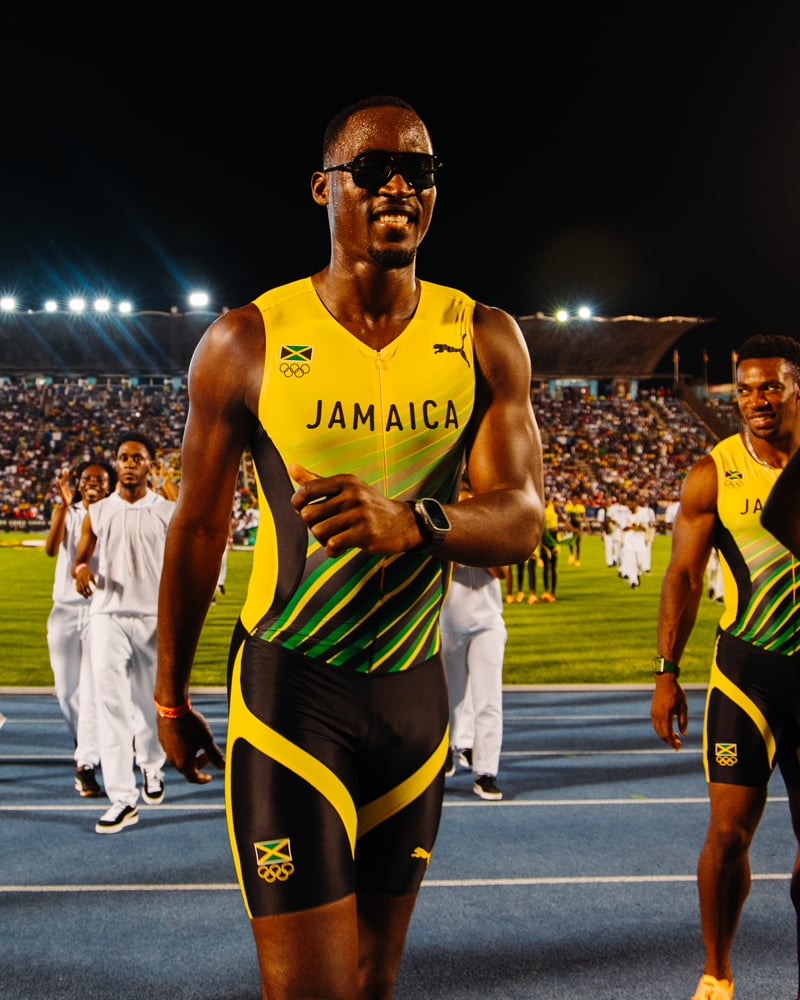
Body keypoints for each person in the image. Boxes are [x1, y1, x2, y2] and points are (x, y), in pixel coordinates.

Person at [154, 94, 544, 999]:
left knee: (375, 983)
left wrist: (415, 523)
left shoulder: (483, 336)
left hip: (413, 699)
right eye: (372, 169)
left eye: (421, 170)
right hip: (293, 697)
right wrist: (170, 696)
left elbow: (522, 519)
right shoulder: (247, 339)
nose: (398, 185)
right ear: (324, 186)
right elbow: (200, 527)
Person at [649, 333, 800, 1000]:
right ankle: (717, 972)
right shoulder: (714, 472)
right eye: (746, 389)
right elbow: (682, 575)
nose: (758, 400)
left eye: (772, 386)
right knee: (728, 833)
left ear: (796, 388)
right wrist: (665, 670)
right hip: (747, 676)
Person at [73, 431, 175, 834]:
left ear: (150, 464)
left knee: (148, 705)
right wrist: (81, 571)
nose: (129, 463)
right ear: (116, 463)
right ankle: (122, 798)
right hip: (107, 616)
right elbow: (81, 558)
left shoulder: (167, 510)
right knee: (110, 705)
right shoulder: (97, 512)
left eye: (137, 457)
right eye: (123, 457)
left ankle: (152, 766)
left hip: (152, 617)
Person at [45, 459, 116, 796]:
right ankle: (83, 741)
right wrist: (61, 505)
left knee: (90, 690)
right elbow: (49, 549)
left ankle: (85, 762)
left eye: (100, 480)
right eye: (87, 479)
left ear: (109, 485)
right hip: (64, 611)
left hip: (99, 612)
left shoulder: (114, 515)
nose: (92, 484)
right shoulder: (69, 514)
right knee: (66, 692)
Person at [441, 479, 508, 801]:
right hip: (447, 625)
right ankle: (445, 752)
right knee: (447, 700)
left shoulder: (492, 532)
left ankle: (486, 772)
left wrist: (475, 543)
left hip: (487, 624)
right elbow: (439, 564)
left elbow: (502, 570)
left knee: (489, 701)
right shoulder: (441, 530)